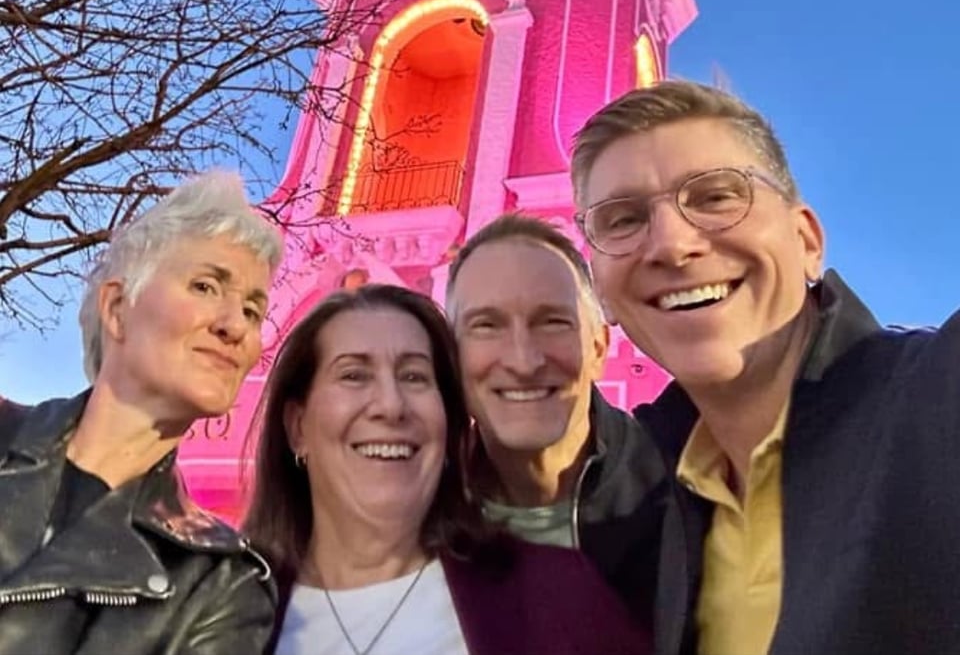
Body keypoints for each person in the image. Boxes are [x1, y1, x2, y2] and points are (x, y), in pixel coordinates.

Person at [571, 79, 960, 655]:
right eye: (623, 220)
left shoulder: (936, 398)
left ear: (806, 239)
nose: (672, 245)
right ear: (600, 289)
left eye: (715, 197)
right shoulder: (651, 508)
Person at [245, 283, 649, 655]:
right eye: (354, 375)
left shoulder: (557, 594)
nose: (391, 405)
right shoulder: (226, 605)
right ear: (298, 427)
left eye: (414, 376)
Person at [0, 170, 283, 655]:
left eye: (253, 311)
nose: (235, 325)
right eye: (205, 286)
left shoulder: (219, 584)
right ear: (117, 308)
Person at [445, 214, 666, 612]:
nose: (523, 361)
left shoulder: (686, 503)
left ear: (599, 348)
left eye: (552, 322)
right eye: (485, 325)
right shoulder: (414, 520)